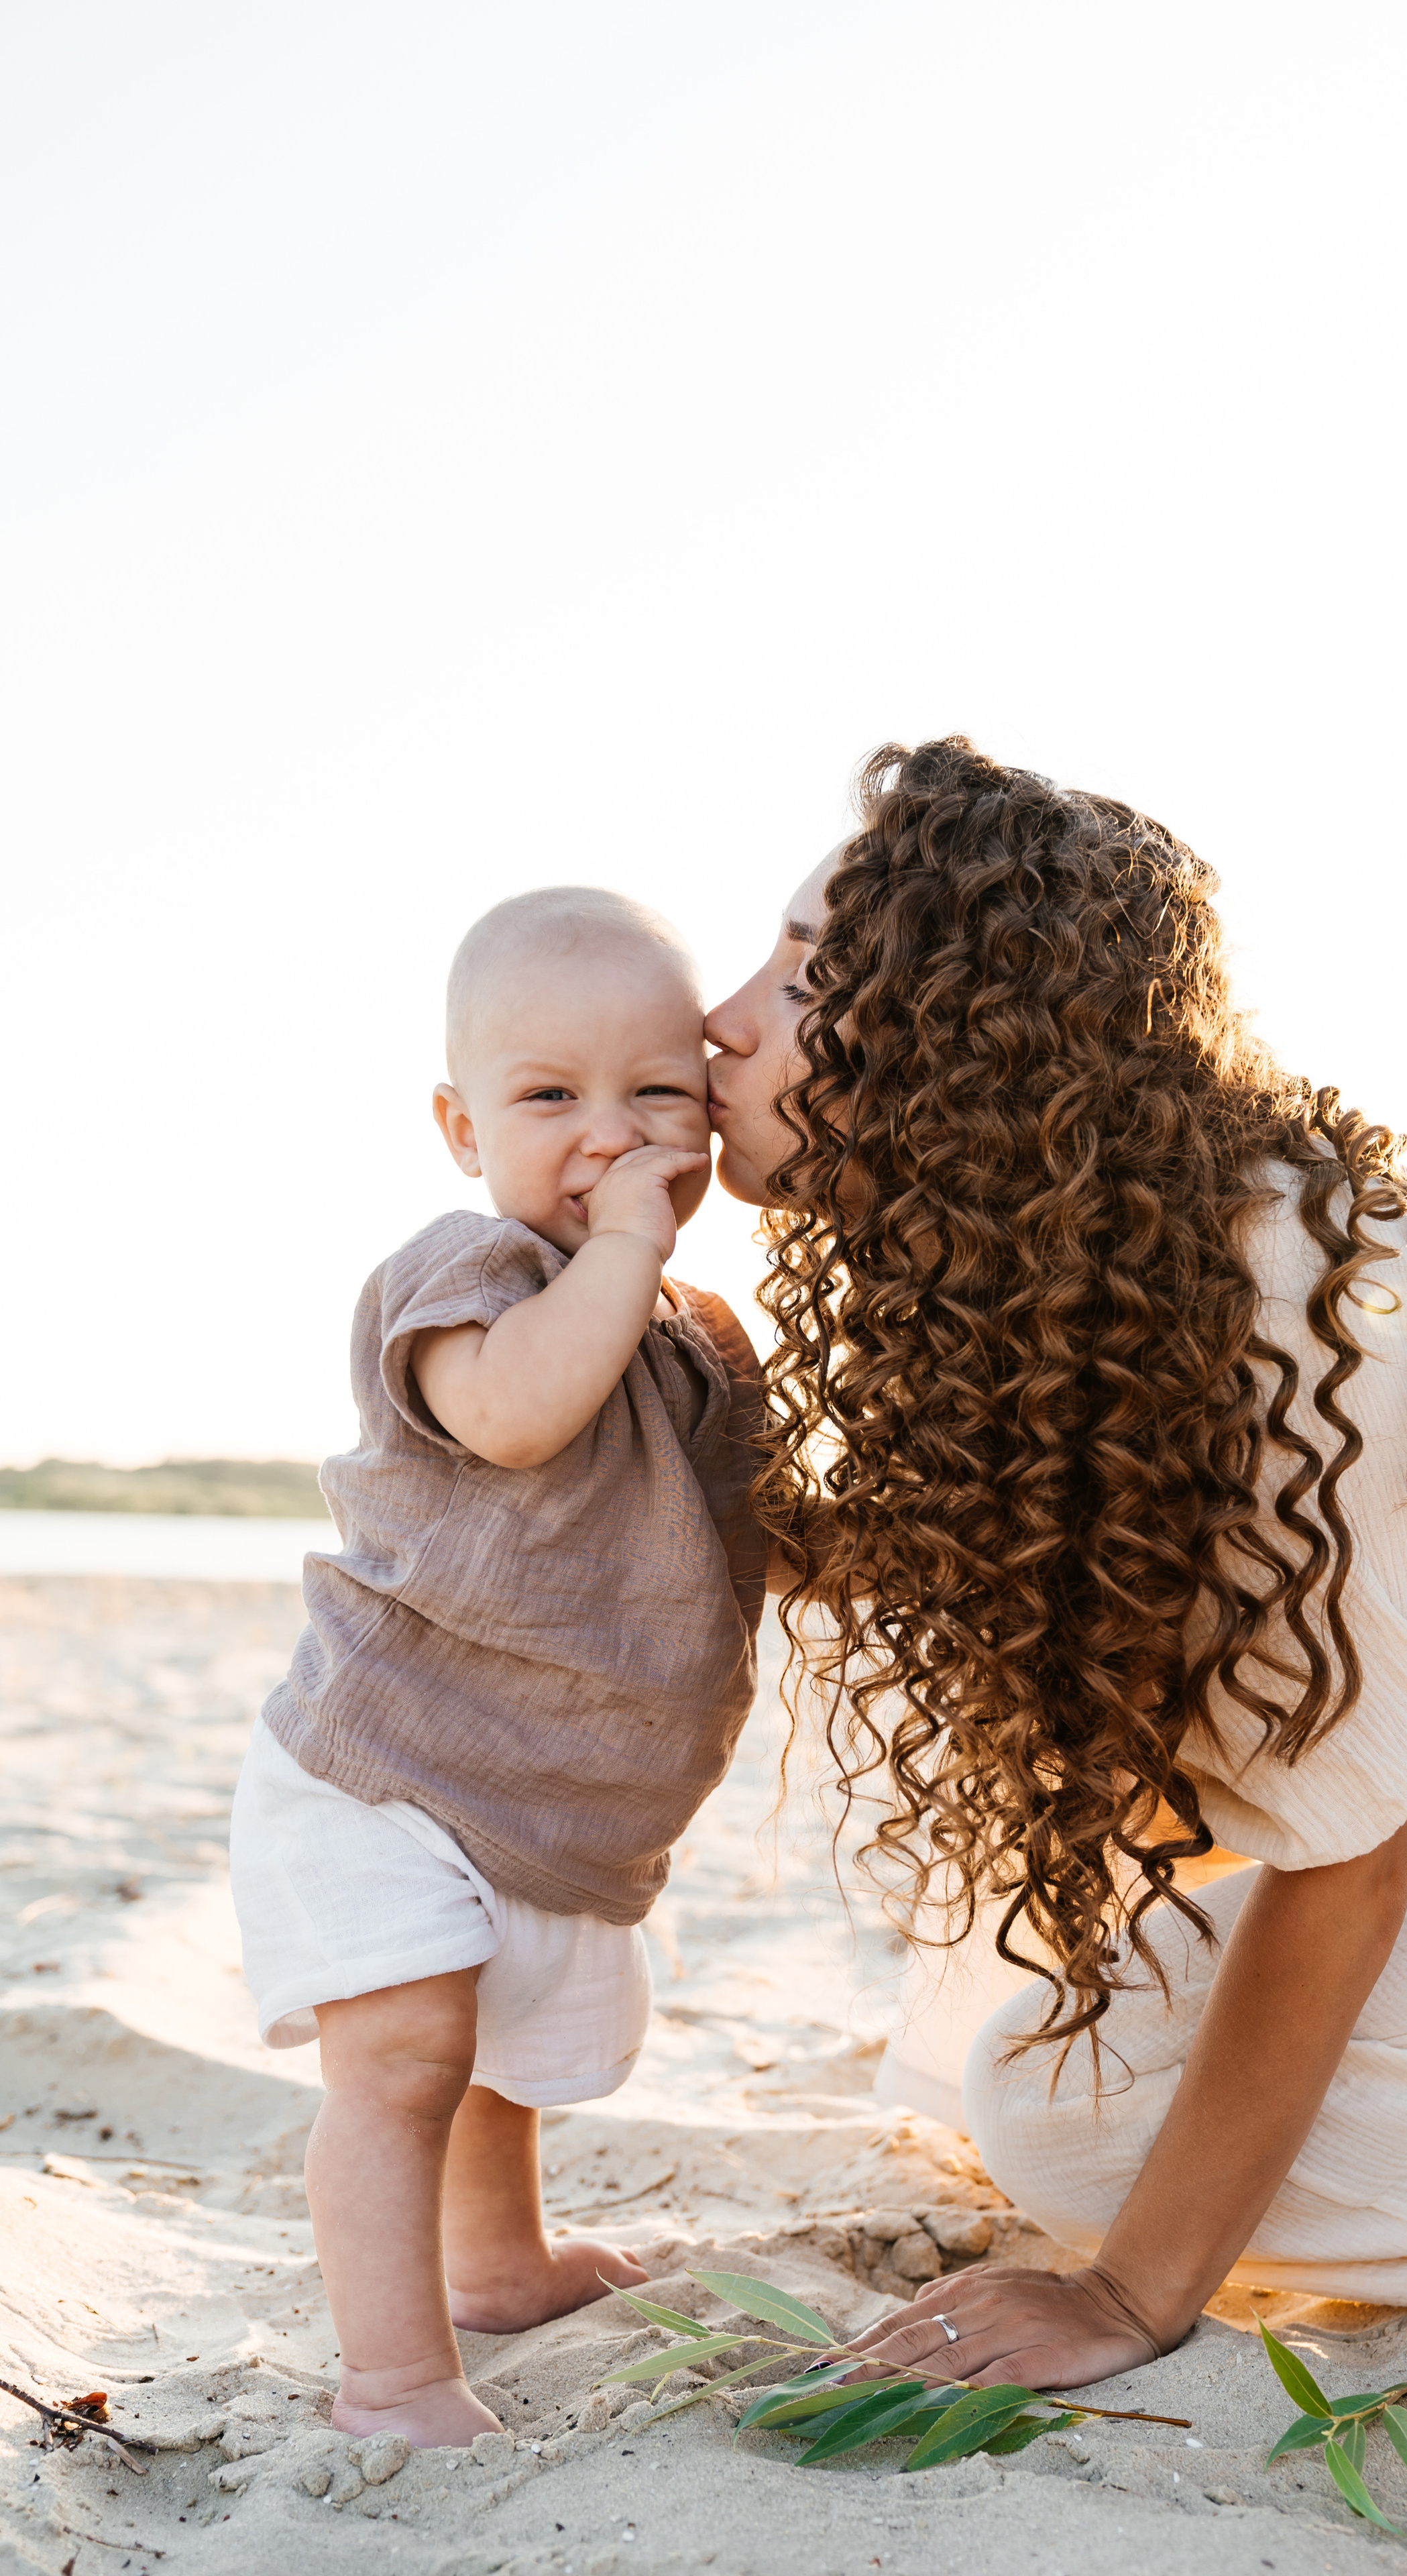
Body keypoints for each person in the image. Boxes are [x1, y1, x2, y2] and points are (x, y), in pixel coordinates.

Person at [704, 735, 1407, 2392]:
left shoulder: (1280, 1323)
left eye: (805, 979)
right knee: (991, 2018)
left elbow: (1344, 1871)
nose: (722, 1024)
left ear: (970, 1045)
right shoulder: (1120, 1264)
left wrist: (1129, 2299)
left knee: (1064, 2132)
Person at [229, 888, 767, 2447]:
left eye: (655, 1093)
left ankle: (499, 2264)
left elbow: (734, 1537)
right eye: (550, 1097)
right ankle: (393, 2381)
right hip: (385, 1764)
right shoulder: (469, 1274)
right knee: (404, 2064)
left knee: (505, 2061)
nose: (606, 1132)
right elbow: (518, 1415)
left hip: (547, 1796)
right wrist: (620, 1252)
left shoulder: (684, 1335)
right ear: (464, 1128)